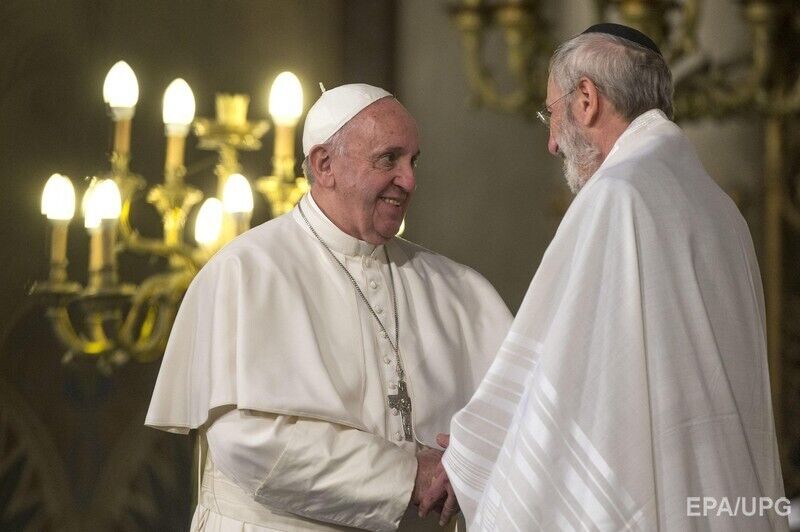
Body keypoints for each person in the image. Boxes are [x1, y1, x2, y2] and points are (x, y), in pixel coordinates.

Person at [429, 23, 788, 530]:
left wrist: (476, 451)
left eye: (551, 113)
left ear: (586, 99)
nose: (551, 143)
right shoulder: (722, 210)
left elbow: (565, 362)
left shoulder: (618, 195)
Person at [145, 83, 512, 531]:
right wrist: (409, 475)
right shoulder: (246, 271)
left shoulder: (458, 289)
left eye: (413, 161)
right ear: (324, 165)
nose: (409, 180)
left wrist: (475, 458)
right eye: (388, 159)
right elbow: (248, 442)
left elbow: (515, 419)